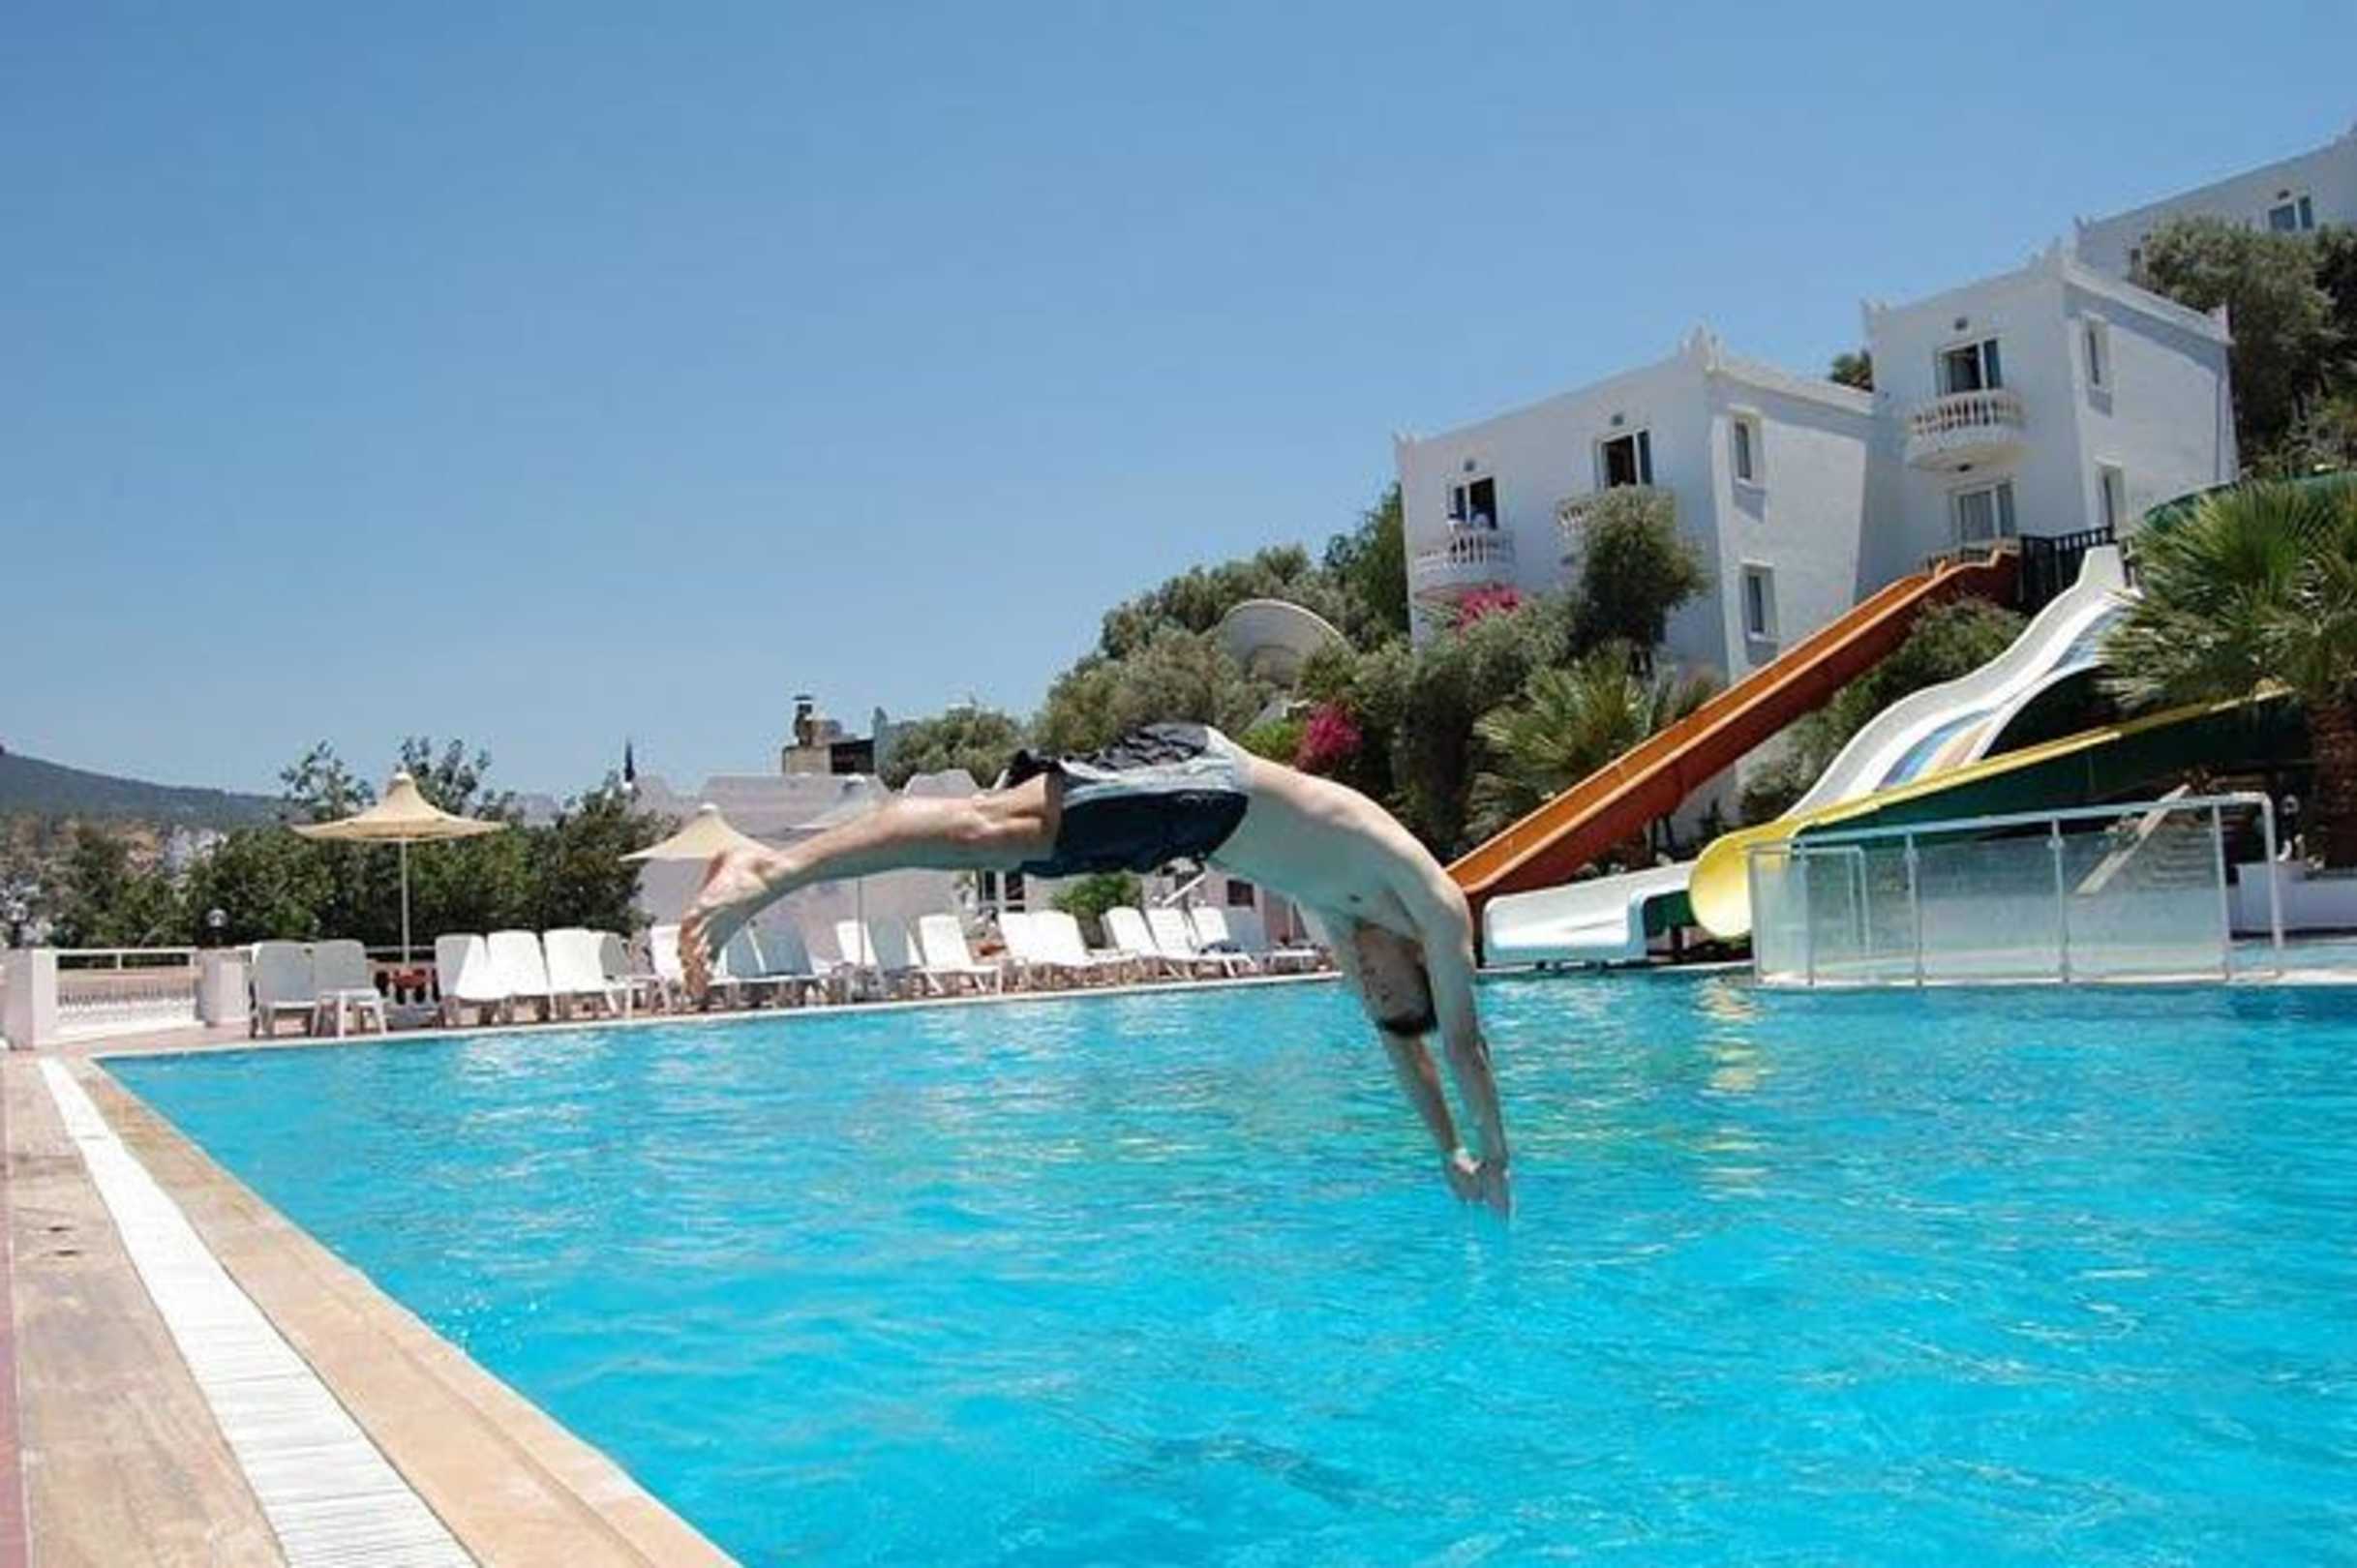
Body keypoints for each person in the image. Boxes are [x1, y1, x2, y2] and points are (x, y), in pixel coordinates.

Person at [680, 722, 1512, 1212]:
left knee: (983, 836)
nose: (1364, 985)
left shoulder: (1346, 915)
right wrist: (1496, 1154)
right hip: (1204, 787)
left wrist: (1448, 1151)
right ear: (1419, 964)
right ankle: (770, 869)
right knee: (981, 831)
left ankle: (770, 865)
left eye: (1370, 996)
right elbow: (1457, 1046)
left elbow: (1401, 1049)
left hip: (1191, 810)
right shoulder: (1433, 903)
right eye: (1384, 987)